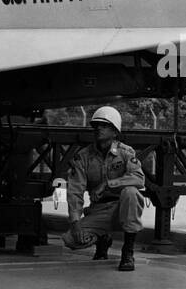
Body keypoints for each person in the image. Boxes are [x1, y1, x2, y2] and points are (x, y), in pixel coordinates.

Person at [61, 106, 146, 272]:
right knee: (71, 240)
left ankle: (127, 253)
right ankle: (103, 238)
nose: (99, 128)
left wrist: (108, 184)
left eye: (105, 125)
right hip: (99, 210)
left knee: (131, 192)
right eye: (97, 125)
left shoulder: (126, 153)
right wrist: (75, 222)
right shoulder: (83, 157)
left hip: (123, 207)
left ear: (115, 132)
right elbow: (75, 191)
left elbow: (139, 178)